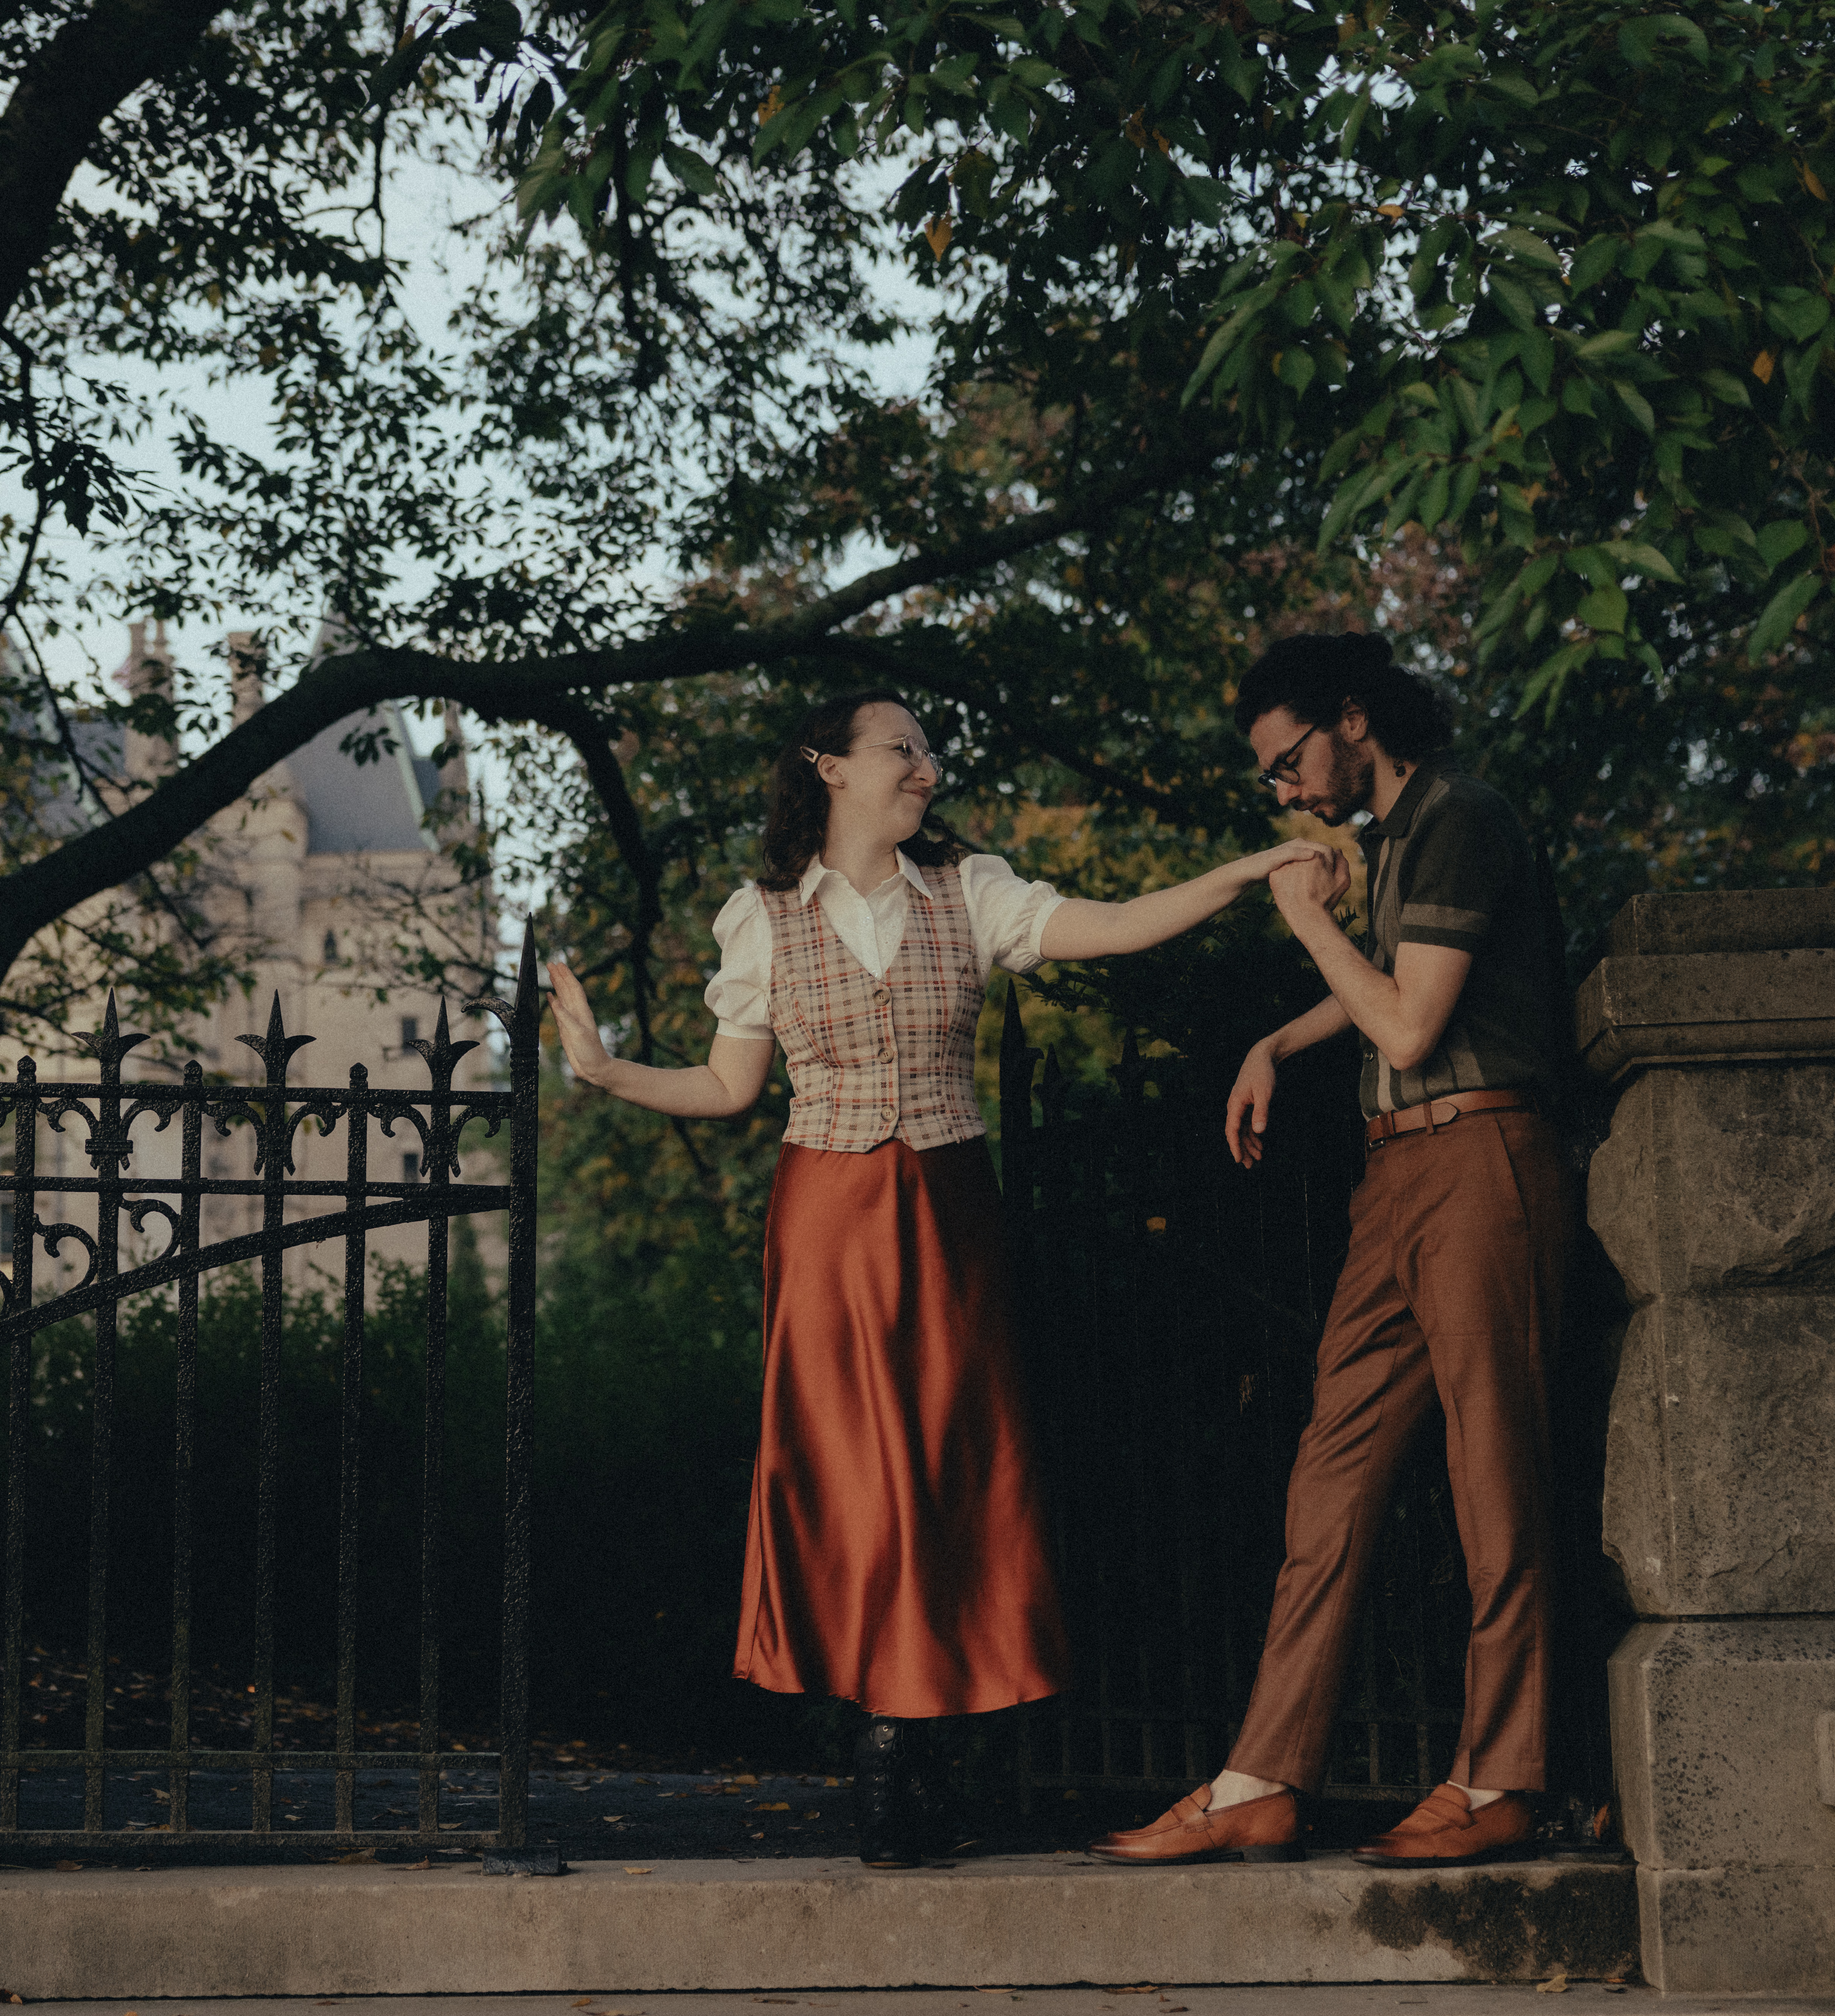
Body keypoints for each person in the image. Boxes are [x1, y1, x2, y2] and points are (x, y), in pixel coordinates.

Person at [546, 688, 1328, 1868]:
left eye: (928, 749)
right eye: (902, 748)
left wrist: (1245, 871)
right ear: (830, 767)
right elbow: (726, 1090)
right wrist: (604, 1072)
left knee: (952, 1463)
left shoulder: (973, 891)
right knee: (852, 1473)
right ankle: (881, 1733)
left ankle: (914, 1738)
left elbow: (1114, 924)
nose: (927, 766)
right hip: (826, 1216)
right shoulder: (760, 917)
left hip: (950, 1210)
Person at [1090, 632, 1576, 1870]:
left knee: (1493, 1478)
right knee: (1331, 1476)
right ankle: (1260, 1779)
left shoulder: (1462, 817)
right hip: (1397, 1170)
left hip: (1481, 1158)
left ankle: (1501, 1779)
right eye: (1273, 778)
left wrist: (1306, 924)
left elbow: (1411, 1022)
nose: (1287, 792)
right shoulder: (1400, 838)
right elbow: (1396, 990)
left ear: (1356, 718)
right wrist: (1280, 1044)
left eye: (1290, 760)